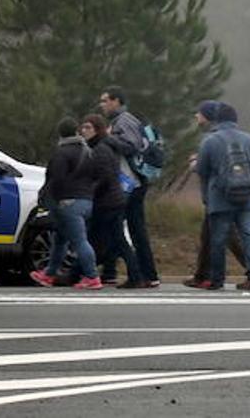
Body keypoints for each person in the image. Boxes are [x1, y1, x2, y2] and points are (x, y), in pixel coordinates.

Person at [194, 100, 250, 291]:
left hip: (220, 198)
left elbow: (202, 170)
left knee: (218, 238)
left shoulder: (210, 140)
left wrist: (207, 198)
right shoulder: (249, 139)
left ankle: (217, 279)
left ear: (217, 120)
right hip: (247, 197)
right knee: (249, 235)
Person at [98, 86, 161, 288]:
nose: (102, 105)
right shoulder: (122, 121)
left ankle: (137, 274)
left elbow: (131, 146)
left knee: (120, 228)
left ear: (117, 101)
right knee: (130, 229)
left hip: (131, 183)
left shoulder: (124, 121)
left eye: (105, 100)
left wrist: (107, 138)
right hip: (135, 182)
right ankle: (143, 274)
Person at [30, 117, 102, 289]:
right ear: (76, 131)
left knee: (79, 241)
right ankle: (49, 274)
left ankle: (92, 276)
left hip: (68, 202)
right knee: (60, 240)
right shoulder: (88, 151)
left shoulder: (62, 152)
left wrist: (47, 198)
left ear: (60, 133)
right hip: (86, 201)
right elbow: (96, 175)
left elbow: (56, 179)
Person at [79, 112, 148, 289]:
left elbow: (105, 177)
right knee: (109, 240)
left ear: (98, 129)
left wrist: (91, 193)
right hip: (112, 200)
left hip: (108, 202)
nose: (84, 130)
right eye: (83, 127)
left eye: (88, 127)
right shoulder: (102, 146)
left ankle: (133, 276)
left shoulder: (101, 149)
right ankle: (131, 275)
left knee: (110, 239)